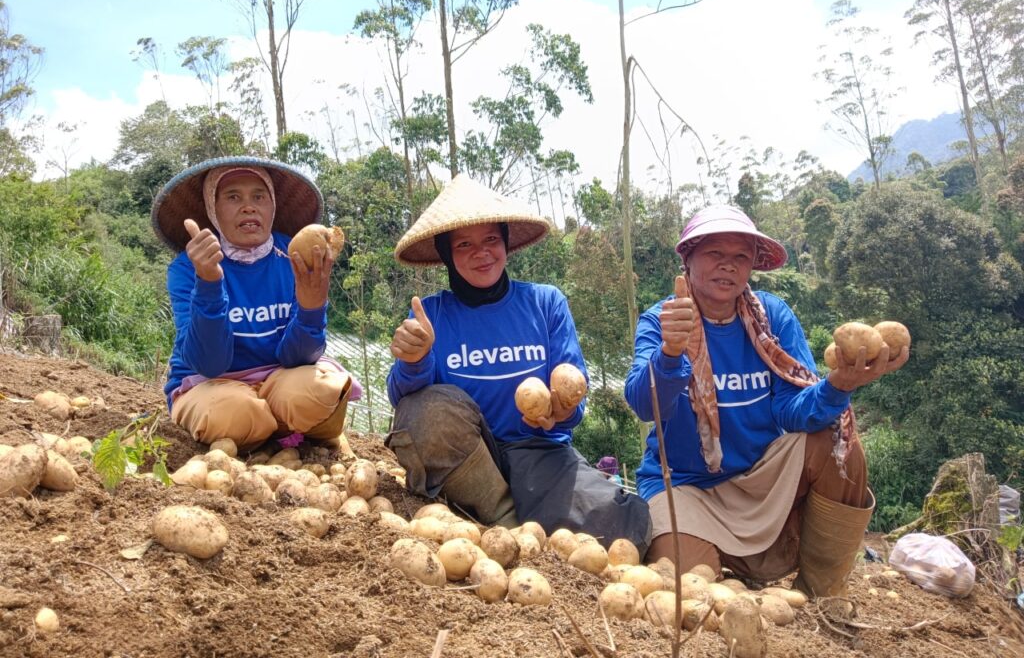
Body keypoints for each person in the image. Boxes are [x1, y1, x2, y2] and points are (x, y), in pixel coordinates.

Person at [623, 204, 908, 596]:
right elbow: (642, 403)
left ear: (752, 267)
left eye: (740, 257)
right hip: (686, 488)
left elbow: (791, 410)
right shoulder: (664, 319)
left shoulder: (772, 318)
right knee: (693, 592)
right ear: (687, 260)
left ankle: (824, 593)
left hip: (761, 477)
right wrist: (670, 354)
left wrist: (838, 384)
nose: (728, 266)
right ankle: (724, 565)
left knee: (837, 444)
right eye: (715, 254)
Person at [386, 175, 652, 554]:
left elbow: (574, 390)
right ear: (446, 254)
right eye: (464, 244)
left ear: (506, 244)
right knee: (427, 408)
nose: (482, 253)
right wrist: (413, 360)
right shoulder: (430, 314)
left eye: (491, 240)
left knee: (620, 527)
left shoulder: (545, 303)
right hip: (470, 461)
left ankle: (505, 520)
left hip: (541, 454)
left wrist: (559, 413)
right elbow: (407, 404)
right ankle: (506, 520)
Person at [152, 156, 359, 451]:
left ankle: (265, 431)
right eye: (233, 196)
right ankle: (279, 430)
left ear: (272, 206)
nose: (248, 206)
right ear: (213, 210)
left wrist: (312, 307)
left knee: (324, 389)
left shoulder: (293, 256)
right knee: (234, 412)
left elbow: (299, 357)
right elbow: (210, 364)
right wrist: (209, 282)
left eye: (259, 196)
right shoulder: (187, 269)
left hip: (280, 377)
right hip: (211, 383)